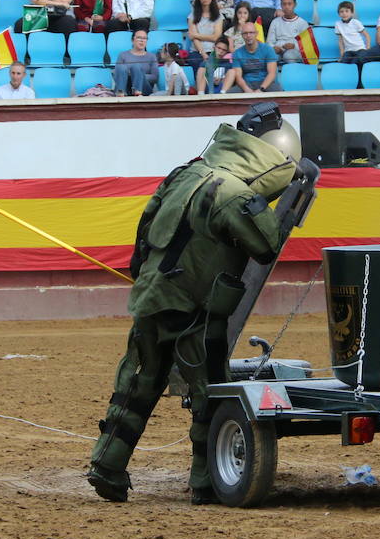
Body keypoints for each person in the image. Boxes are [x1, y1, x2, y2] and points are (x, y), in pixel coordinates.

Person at [87, 102, 301, 504]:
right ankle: (205, 482)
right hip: (197, 310)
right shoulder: (234, 193)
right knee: (209, 396)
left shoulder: (185, 173)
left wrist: (147, 278)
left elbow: (144, 229)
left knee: (136, 384)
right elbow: (266, 244)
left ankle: (107, 464)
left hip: (153, 296)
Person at [112, 27, 158, 96]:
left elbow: (154, 77)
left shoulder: (152, 56)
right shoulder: (123, 55)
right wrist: (131, 76)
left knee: (136, 67)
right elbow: (117, 74)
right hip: (125, 86)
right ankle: (120, 93)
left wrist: (138, 76)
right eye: (139, 38)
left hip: (143, 88)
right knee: (121, 67)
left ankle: (137, 91)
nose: (142, 41)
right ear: (132, 40)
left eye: (144, 38)